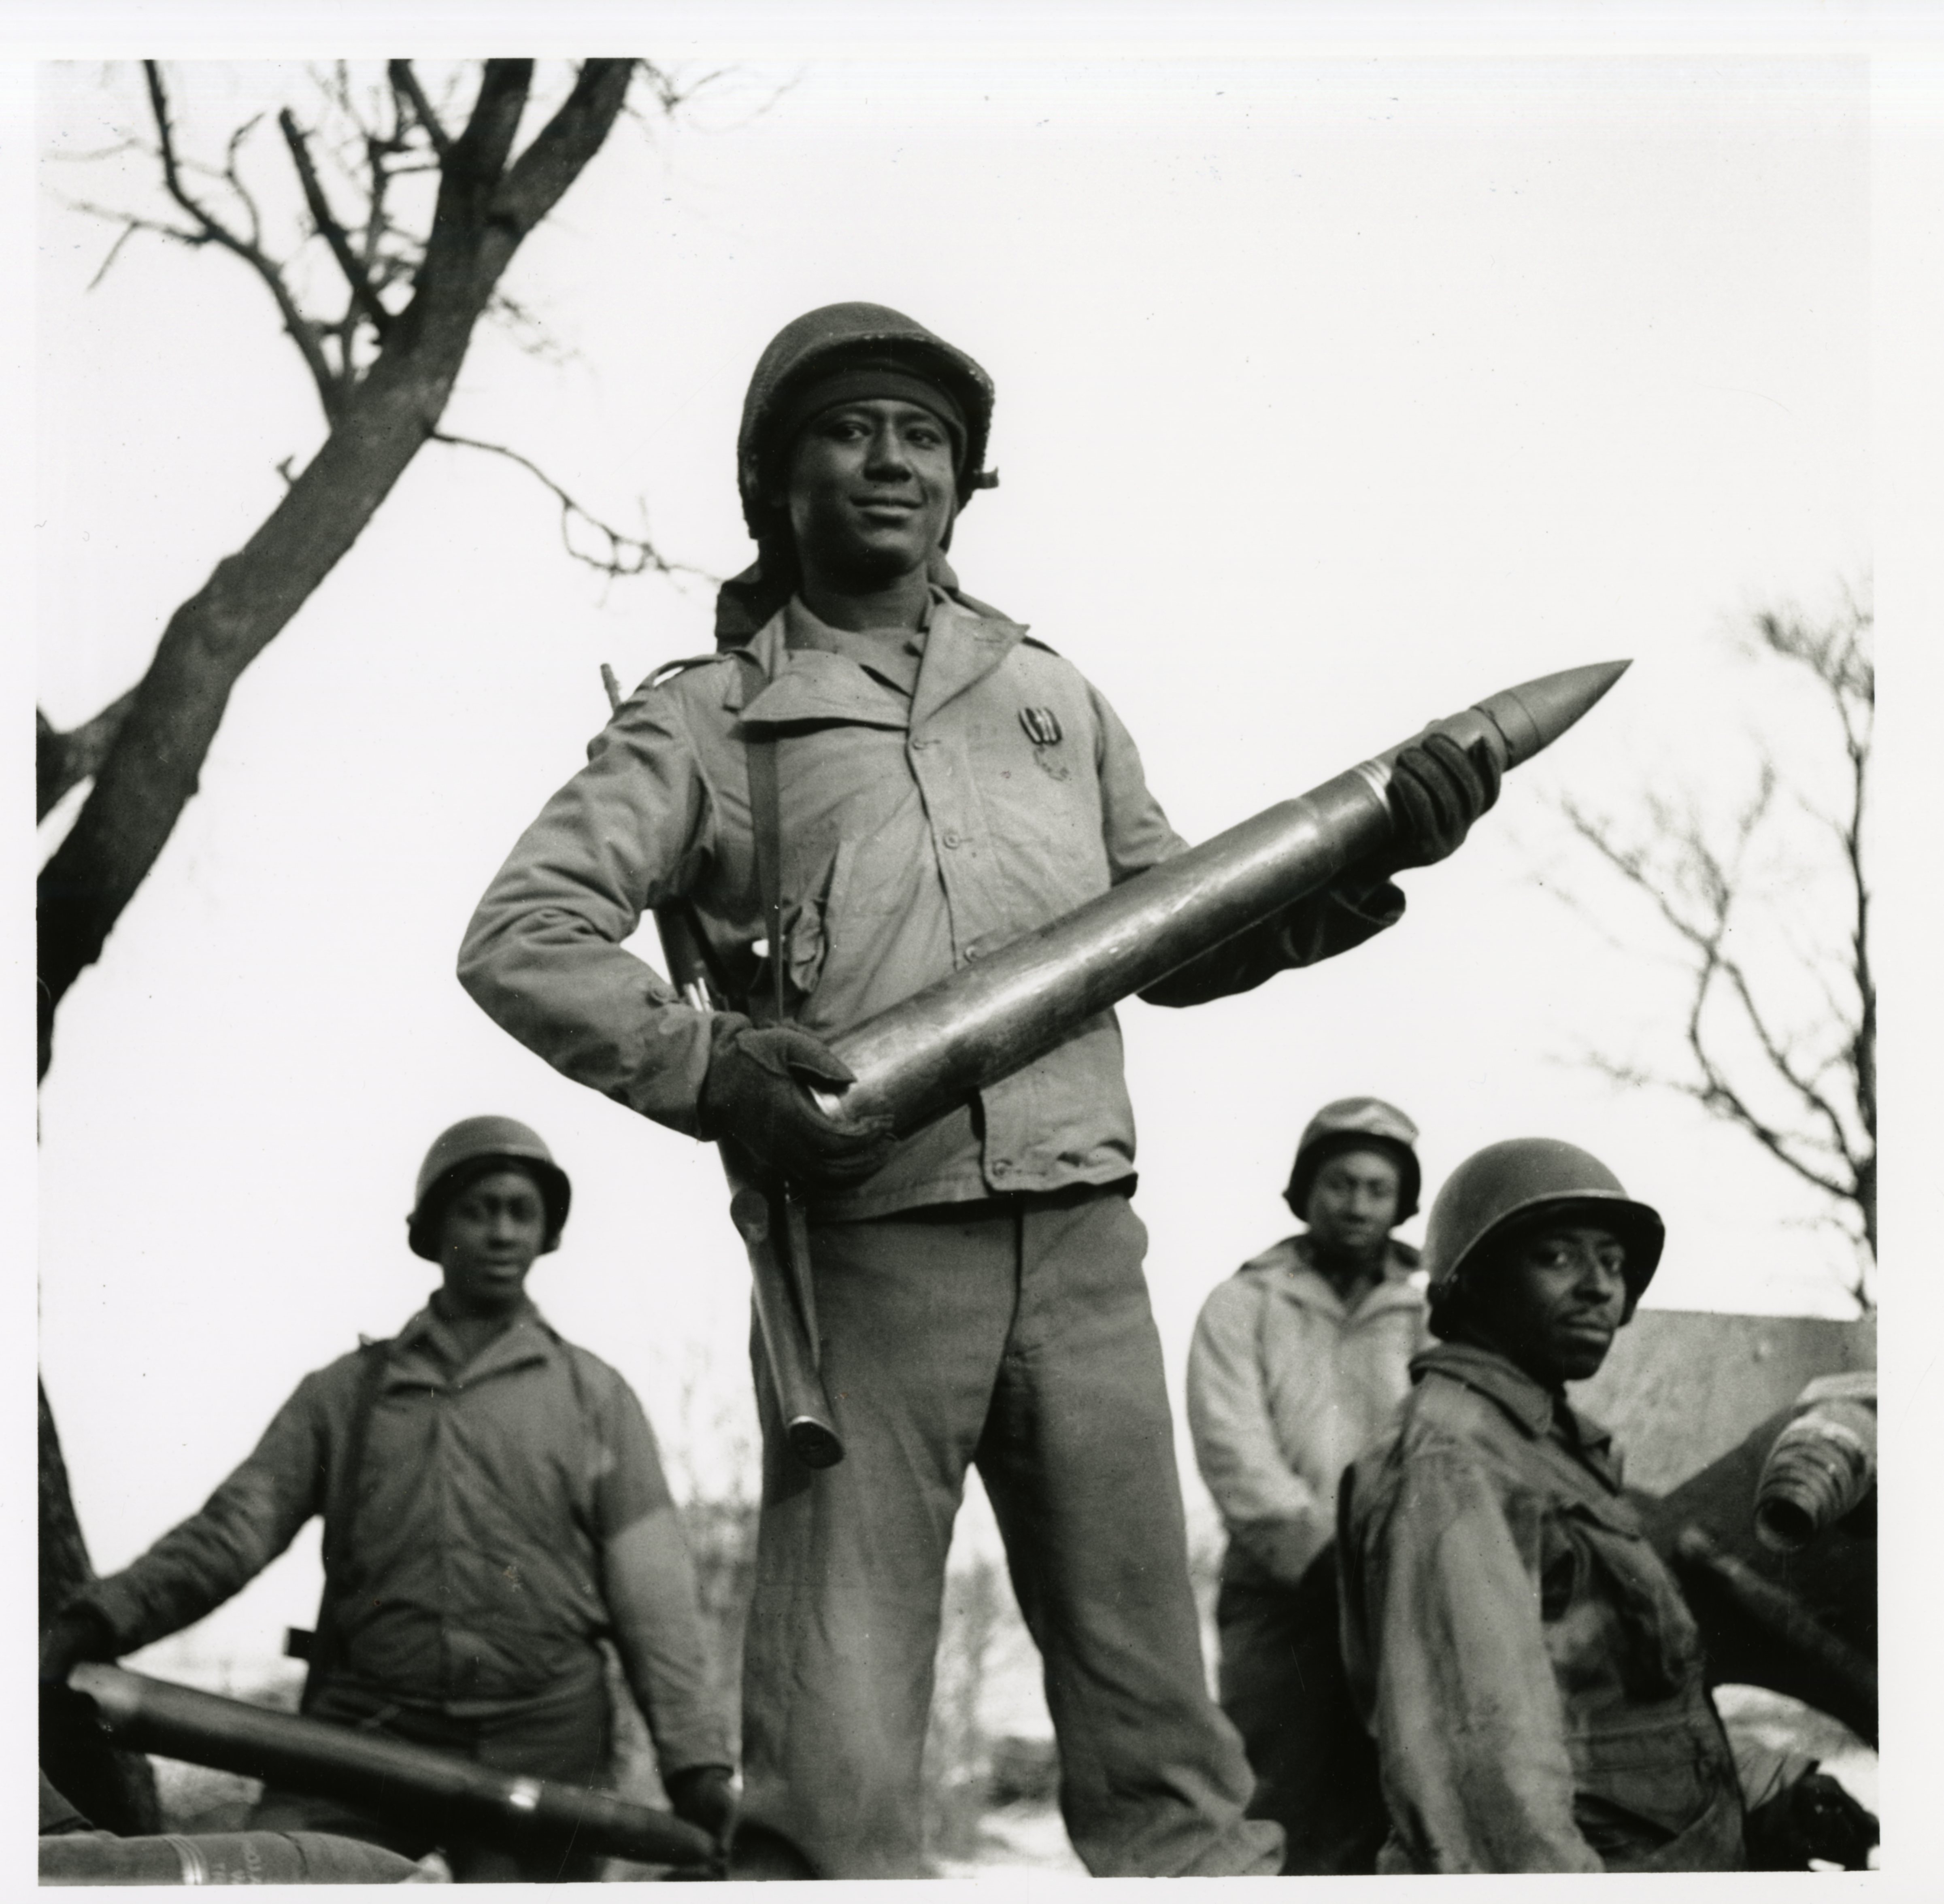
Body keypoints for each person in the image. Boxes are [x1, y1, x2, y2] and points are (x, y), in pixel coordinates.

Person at [456, 302, 1502, 1879]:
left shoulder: (1053, 697)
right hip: (869, 1262)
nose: (892, 462)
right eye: (851, 429)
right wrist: (712, 1063)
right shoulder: (711, 718)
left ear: (963, 484)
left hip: (1084, 1247)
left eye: (924, 437)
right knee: (837, 1758)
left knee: (1165, 1741)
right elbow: (522, 938)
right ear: (776, 480)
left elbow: (1181, 932)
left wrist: (1377, 856)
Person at [39, 1117, 736, 1883]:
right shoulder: (345, 1395)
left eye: (521, 1211)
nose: (502, 1232)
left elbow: (656, 1601)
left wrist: (696, 1766)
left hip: (538, 1752)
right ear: (434, 1231)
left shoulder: (595, 1398)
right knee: (272, 1878)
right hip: (359, 1740)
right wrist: (95, 1620)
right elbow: (233, 1532)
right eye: (478, 1209)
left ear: (546, 1235)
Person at [1335, 1137, 1880, 1873]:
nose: (1599, 1286)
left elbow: (1610, 1709)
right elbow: (1481, 1778)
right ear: (1469, 1279)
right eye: (1557, 1258)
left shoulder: (1547, 1452)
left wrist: (1764, 1789)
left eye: (1615, 1264)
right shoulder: (1455, 1462)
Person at [1185, 1095, 1427, 1872]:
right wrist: (1317, 1555)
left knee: (1396, 1795)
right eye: (1339, 1184)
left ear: (1401, 1202)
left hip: (1404, 1587)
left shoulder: (1433, 1309)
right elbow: (1232, 1446)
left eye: (1376, 1189)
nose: (1357, 1204)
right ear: (1305, 1190)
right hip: (1280, 1590)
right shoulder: (1244, 1302)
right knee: (1275, 1792)